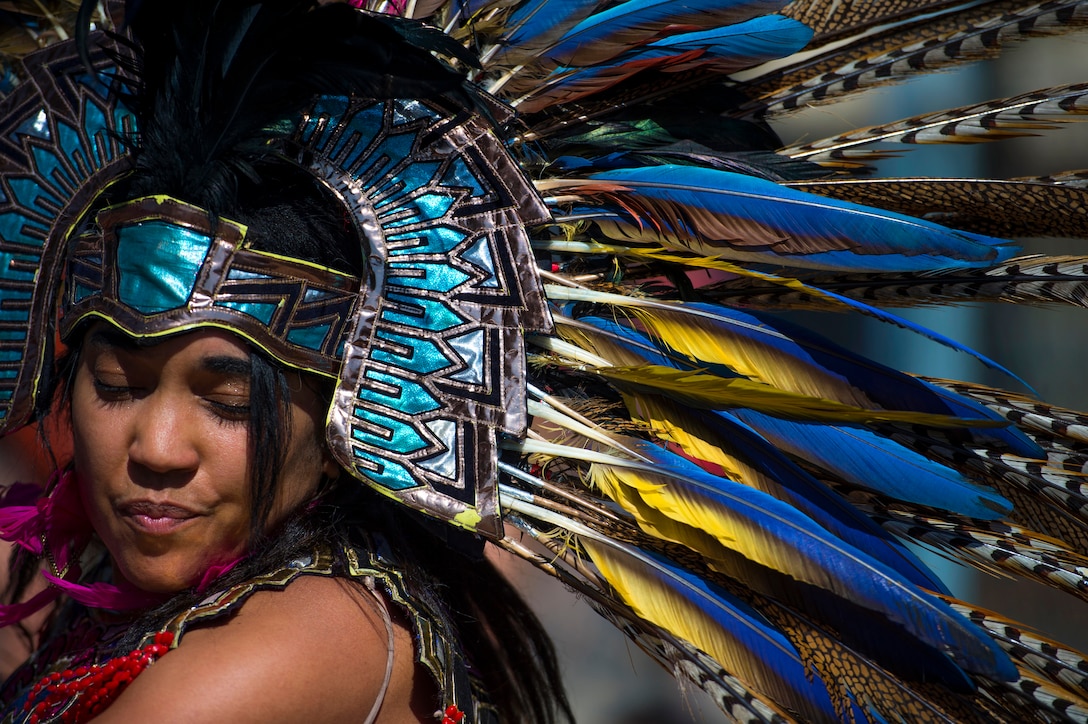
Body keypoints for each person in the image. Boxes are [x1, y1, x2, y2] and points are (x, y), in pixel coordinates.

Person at [6, 1, 1088, 723]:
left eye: (228, 396)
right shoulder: (134, 603)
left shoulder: (311, 632)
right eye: (117, 384)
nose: (154, 446)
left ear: (345, 416)